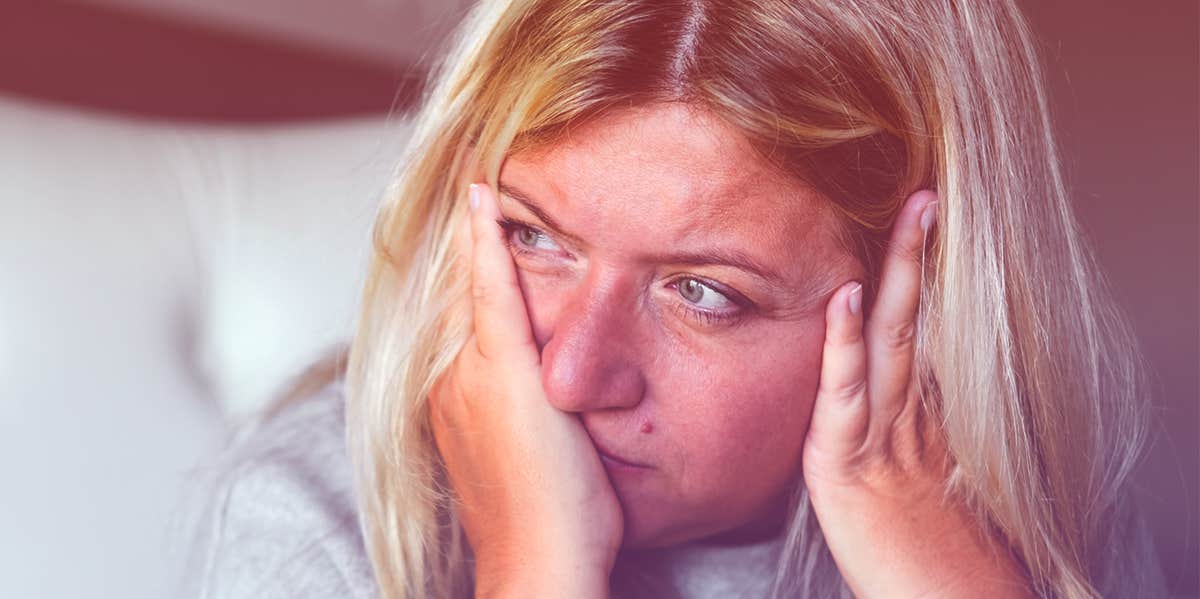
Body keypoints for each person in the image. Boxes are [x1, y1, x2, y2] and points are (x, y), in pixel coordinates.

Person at [180, 0, 1171, 597]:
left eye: (702, 291)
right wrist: (532, 568)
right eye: (535, 237)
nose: (570, 373)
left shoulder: (1057, 508)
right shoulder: (312, 517)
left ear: (912, 304)